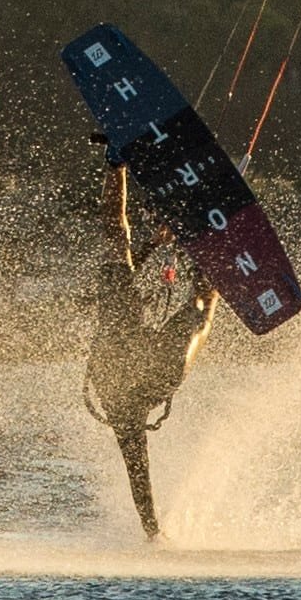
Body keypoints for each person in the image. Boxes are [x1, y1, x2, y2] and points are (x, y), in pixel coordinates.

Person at [84, 164, 216, 540]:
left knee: (116, 244)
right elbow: (137, 471)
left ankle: (115, 163)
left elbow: (137, 471)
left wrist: (156, 245)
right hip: (137, 368)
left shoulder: (120, 404)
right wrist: (152, 529)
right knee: (201, 306)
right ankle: (116, 165)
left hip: (119, 348)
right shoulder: (123, 407)